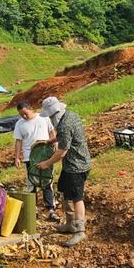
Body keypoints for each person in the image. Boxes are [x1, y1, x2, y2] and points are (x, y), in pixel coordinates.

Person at [36, 96, 91, 246]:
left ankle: (79, 231)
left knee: (76, 197)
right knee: (65, 191)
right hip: (70, 166)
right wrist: (50, 141)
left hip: (77, 166)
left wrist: (46, 163)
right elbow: (65, 137)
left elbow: (62, 151)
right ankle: (69, 224)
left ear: (54, 113)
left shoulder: (64, 124)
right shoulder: (70, 115)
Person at [13, 101, 57, 217]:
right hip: (29, 158)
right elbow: (18, 141)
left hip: (45, 155)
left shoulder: (44, 118)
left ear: (30, 109)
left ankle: (50, 208)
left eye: (25, 113)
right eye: (21, 115)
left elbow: (51, 131)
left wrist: (54, 144)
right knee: (32, 182)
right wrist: (17, 157)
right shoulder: (19, 124)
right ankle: (33, 209)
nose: (24, 116)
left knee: (47, 181)